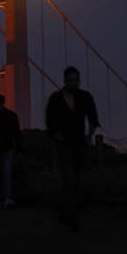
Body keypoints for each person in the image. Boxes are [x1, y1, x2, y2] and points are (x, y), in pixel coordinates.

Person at [46, 66, 100, 232]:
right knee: (68, 179)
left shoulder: (85, 97)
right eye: (71, 80)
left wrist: (89, 136)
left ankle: (65, 212)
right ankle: (72, 218)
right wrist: (55, 135)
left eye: (76, 80)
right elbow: (49, 120)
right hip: (62, 145)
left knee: (74, 180)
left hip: (79, 144)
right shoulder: (55, 98)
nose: (74, 83)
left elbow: (93, 119)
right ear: (65, 81)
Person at [0, 93, 22, 209]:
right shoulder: (10, 115)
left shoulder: (8, 115)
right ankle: (2, 199)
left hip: (6, 149)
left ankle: (4, 199)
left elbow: (17, 133)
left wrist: (19, 149)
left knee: (4, 174)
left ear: (1, 103)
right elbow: (17, 133)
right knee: (0, 174)